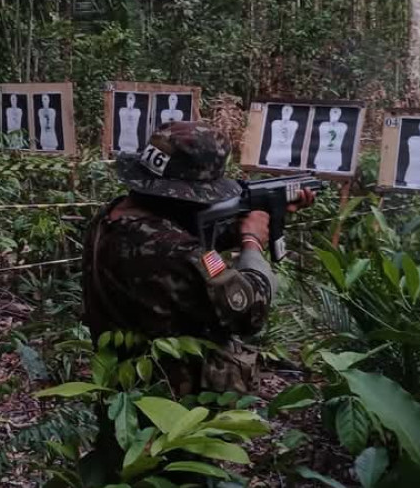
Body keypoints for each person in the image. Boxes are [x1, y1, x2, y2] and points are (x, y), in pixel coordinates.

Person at [81, 121, 314, 481]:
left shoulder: (110, 218)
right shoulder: (182, 252)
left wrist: (237, 227)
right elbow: (250, 308)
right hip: (176, 413)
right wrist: (252, 241)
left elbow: (166, 253)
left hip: (121, 394)